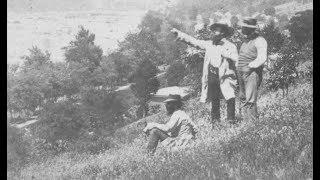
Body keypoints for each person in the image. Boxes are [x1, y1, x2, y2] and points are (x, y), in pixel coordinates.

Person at [171, 17, 238, 125]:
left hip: (226, 75)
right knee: (214, 99)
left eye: (218, 30)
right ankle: (215, 122)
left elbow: (236, 59)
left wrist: (227, 54)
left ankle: (231, 120)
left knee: (230, 96)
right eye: (214, 30)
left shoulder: (230, 46)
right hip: (212, 75)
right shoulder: (209, 44)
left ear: (223, 32)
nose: (215, 32)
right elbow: (194, 42)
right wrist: (179, 34)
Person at [237, 18, 268, 121]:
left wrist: (251, 65)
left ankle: (252, 124)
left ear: (251, 29)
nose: (242, 30)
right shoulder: (245, 41)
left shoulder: (260, 40)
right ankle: (246, 123)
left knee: (250, 99)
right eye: (242, 28)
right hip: (241, 73)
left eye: (244, 28)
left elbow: (262, 57)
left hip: (252, 74)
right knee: (242, 98)